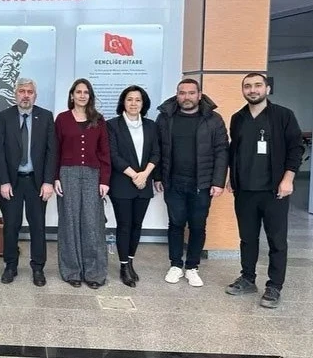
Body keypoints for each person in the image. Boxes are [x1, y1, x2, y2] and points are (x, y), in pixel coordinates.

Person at [225, 73, 303, 308]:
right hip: (244, 190)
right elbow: (234, 151)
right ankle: (248, 278)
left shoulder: (283, 115)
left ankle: (274, 285)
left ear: (267, 89)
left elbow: (296, 148)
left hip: (274, 190)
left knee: (277, 240)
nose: (253, 90)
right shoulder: (238, 118)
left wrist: (288, 179)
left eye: (258, 85)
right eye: (247, 86)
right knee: (247, 238)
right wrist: (231, 177)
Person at [154, 79, 229, 287]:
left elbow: (222, 151)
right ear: (177, 95)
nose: (186, 97)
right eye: (182, 93)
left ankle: (192, 267)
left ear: (199, 95)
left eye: (191, 93)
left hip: (202, 184)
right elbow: (157, 149)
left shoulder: (213, 119)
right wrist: (158, 177)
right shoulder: (165, 117)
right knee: (176, 223)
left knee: (198, 225)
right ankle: (176, 265)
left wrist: (218, 181)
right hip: (173, 182)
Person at [0, 78, 56, 287]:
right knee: (11, 225)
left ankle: (38, 268)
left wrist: (48, 181)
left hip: (36, 182)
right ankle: (10, 266)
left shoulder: (45, 117)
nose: (25, 95)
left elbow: (51, 152)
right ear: (16, 94)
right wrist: (3, 181)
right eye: (22, 91)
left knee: (38, 226)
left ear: (35, 95)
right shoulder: (5, 117)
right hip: (12, 182)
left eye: (29, 91)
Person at [54, 79, 110, 289]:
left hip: (93, 175)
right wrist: (55, 177)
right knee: (69, 223)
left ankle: (94, 273)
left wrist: (104, 180)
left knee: (92, 224)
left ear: (90, 96)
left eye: (86, 92)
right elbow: (55, 150)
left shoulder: (99, 120)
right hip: (67, 174)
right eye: (78, 92)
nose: (82, 95)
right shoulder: (62, 119)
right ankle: (72, 271)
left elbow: (105, 152)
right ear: (72, 95)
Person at [107, 85, 160, 287]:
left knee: (137, 225)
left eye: (138, 100)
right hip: (122, 183)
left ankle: (130, 261)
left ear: (143, 103)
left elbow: (156, 153)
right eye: (129, 99)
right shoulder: (112, 125)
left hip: (143, 182)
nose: (133, 103)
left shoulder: (151, 125)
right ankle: (123, 266)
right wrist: (134, 175)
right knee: (125, 225)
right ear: (123, 102)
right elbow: (113, 155)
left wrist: (145, 174)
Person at [0, 39, 29, 114]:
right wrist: (13, 86)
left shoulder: (10, 60)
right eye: (21, 53)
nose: (21, 56)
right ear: (17, 50)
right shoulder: (9, 59)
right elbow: (3, 76)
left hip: (2, 91)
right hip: (3, 91)